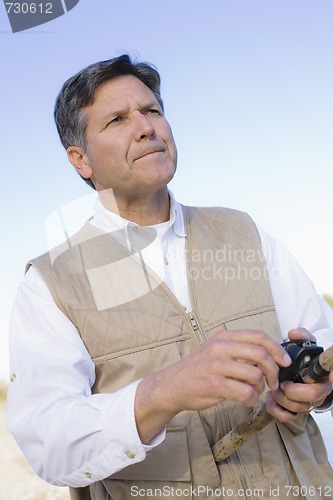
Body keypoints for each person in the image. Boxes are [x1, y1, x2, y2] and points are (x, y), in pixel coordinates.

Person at [7, 54, 333, 500]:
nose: (146, 127)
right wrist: (164, 391)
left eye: (152, 111)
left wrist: (319, 385)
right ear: (80, 159)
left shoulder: (245, 232)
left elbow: (320, 341)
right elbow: (51, 446)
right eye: (117, 119)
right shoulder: (51, 283)